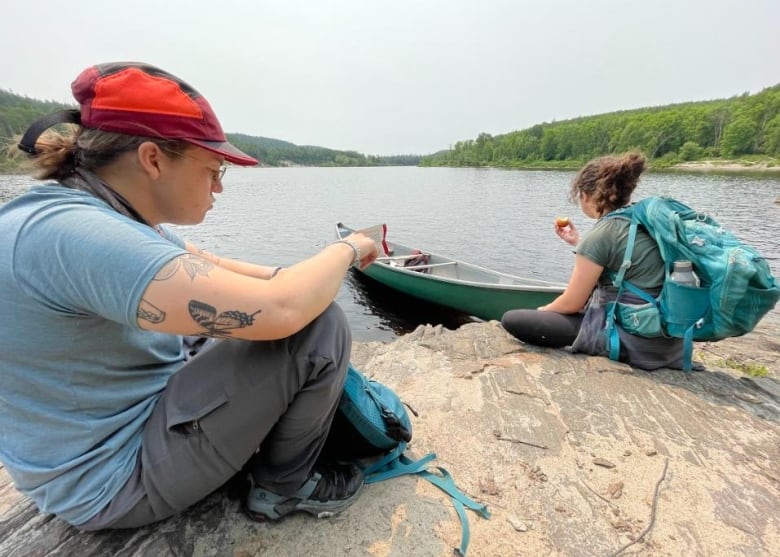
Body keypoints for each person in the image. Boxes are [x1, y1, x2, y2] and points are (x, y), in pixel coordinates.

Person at [0, 62, 380, 530]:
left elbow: (228, 271)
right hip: (115, 478)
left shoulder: (96, 213)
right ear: (153, 159)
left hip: (113, 436)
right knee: (317, 329)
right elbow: (282, 309)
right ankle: (283, 488)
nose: (219, 186)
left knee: (242, 321)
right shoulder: (75, 235)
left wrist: (294, 277)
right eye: (213, 169)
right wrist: (350, 247)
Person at [501, 151, 691, 371]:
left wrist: (544, 310)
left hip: (635, 337)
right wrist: (579, 243)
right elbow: (622, 260)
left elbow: (572, 303)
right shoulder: (641, 219)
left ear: (585, 195)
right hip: (668, 338)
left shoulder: (602, 233)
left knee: (513, 319)